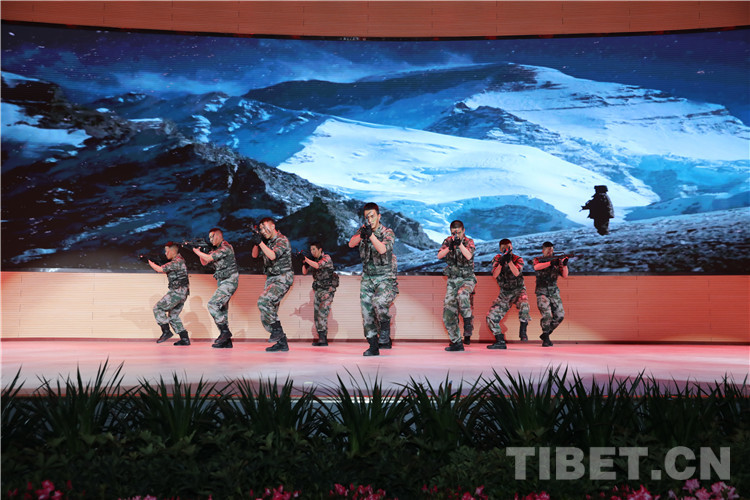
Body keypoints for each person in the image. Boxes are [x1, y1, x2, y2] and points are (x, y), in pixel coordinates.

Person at [348, 202, 399, 356]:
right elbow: (351, 244)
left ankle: (384, 327)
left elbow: (383, 249)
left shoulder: (387, 232)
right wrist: (362, 234)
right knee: (366, 311)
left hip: (385, 277)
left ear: (379, 216)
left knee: (379, 302)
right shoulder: (363, 230)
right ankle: (373, 345)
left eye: (372, 216)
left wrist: (371, 235)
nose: (369, 220)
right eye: (367, 217)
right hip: (368, 277)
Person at [251, 217, 294, 352]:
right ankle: (282, 342)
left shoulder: (282, 240)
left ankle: (278, 331)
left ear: (273, 226)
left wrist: (261, 243)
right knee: (267, 315)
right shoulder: (267, 242)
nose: (263, 231)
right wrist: (257, 242)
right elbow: (254, 255)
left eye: (264, 227)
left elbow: (273, 256)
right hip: (271, 278)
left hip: (283, 277)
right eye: (261, 229)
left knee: (263, 301)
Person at [193, 228, 238, 349]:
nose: (210, 240)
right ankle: (226, 342)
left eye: (212, 237)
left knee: (212, 304)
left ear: (218, 236)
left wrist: (196, 251)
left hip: (229, 281)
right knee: (222, 310)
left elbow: (208, 258)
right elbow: (204, 262)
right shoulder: (216, 249)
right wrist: (201, 251)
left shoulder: (226, 247)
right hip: (222, 282)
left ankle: (225, 332)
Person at [437, 220, 476, 352]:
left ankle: (467, 322)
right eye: (454, 233)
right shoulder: (448, 241)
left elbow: (469, 256)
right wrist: (450, 247)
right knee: (448, 312)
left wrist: (460, 245)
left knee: (462, 294)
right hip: (453, 280)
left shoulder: (469, 241)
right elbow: (439, 255)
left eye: (458, 232)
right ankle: (456, 342)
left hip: (467, 279)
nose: (456, 235)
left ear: (463, 231)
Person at [486, 238, 531, 349]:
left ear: (512, 247)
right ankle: (500, 340)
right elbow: (495, 275)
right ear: (500, 249)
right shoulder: (497, 258)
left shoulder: (517, 259)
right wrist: (501, 263)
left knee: (524, 304)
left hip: (518, 290)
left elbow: (516, 273)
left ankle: (523, 330)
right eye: (504, 248)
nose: (506, 250)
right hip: (505, 293)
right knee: (490, 317)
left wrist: (510, 261)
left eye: (508, 247)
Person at [149, 242, 191, 346]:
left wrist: (149, 262)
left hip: (177, 291)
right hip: (182, 292)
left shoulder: (177, 262)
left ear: (172, 251)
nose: (165, 253)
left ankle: (166, 331)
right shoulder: (178, 261)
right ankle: (184, 338)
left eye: (166, 251)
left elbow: (159, 269)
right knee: (173, 316)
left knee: (158, 308)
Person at [301, 241, 339, 346]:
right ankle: (321, 338)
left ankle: (323, 339)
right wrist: (304, 262)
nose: (312, 251)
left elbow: (318, 266)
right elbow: (304, 272)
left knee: (322, 313)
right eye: (311, 250)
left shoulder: (326, 258)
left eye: (314, 249)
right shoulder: (313, 260)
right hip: (318, 291)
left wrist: (306, 259)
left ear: (320, 249)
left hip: (327, 291)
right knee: (317, 315)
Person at [532, 241, 569, 347]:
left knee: (560, 315)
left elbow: (565, 275)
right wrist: (551, 263)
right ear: (543, 251)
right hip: (542, 292)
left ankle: (546, 334)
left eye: (552, 250)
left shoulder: (557, 261)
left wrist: (564, 265)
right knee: (547, 315)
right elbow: (536, 267)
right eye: (548, 250)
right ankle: (546, 338)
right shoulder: (538, 259)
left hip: (554, 292)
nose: (550, 252)